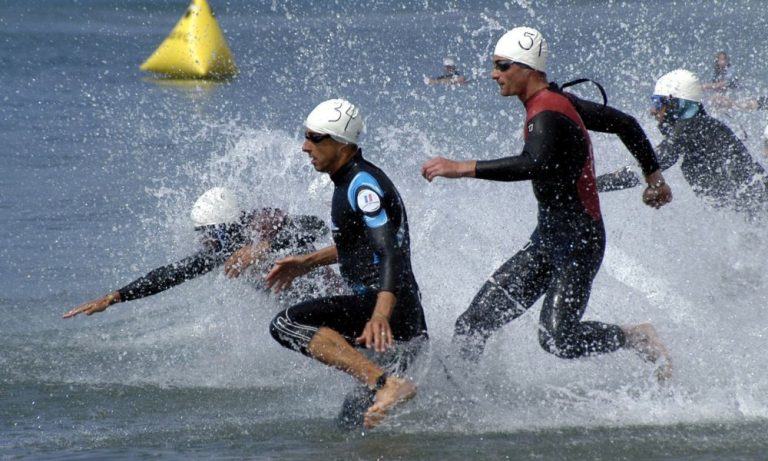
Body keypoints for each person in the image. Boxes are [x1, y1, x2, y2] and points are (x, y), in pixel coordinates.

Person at [420, 27, 672, 380]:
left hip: (579, 244)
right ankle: (460, 399)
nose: (495, 74)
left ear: (528, 69)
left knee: (558, 338)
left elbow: (533, 163)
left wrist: (462, 167)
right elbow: (625, 123)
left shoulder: (549, 112)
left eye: (503, 66)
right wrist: (654, 179)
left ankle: (635, 337)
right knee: (473, 323)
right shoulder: (556, 102)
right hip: (548, 240)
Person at [265, 99, 429, 429]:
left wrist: (380, 315)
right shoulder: (350, 180)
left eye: (314, 137)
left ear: (341, 143)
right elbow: (359, 245)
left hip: (387, 314)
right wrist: (307, 262)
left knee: (286, 324)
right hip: (400, 321)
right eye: (305, 136)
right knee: (352, 426)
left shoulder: (361, 185)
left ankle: (385, 384)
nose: (304, 146)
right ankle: (386, 387)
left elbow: (389, 252)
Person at [63, 187, 337, 319]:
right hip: (300, 307)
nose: (208, 242)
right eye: (203, 235)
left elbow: (314, 224)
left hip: (330, 294)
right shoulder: (223, 250)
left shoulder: (261, 224)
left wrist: (262, 247)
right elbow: (173, 273)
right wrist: (116, 296)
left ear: (230, 225)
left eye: (213, 233)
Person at [598, 69, 768, 218]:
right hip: (754, 214)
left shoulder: (690, 128)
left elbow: (650, 165)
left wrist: (590, 184)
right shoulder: (701, 126)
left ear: (675, 103)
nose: (652, 111)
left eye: (657, 102)